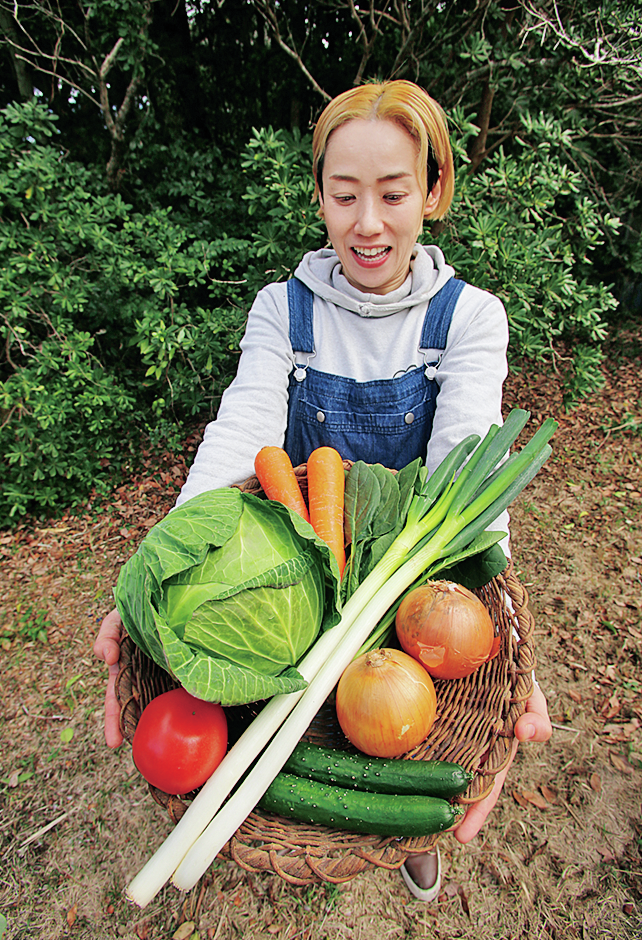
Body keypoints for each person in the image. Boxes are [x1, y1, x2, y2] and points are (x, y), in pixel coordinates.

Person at [94, 80, 552, 902]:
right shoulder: (283, 309)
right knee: (323, 716)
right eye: (343, 196)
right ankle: (373, 820)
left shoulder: (469, 318)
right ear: (318, 198)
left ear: (435, 191)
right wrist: (150, 575)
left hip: (397, 590)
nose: (366, 223)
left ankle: (402, 833)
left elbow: (467, 471)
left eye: (392, 193)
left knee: (397, 725)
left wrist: (499, 621)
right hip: (300, 568)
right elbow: (238, 439)